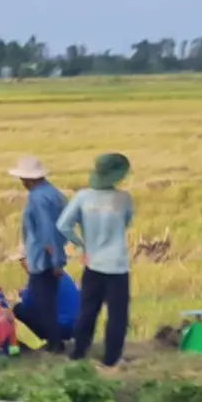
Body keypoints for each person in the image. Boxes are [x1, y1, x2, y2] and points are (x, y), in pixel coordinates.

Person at [57, 152, 136, 368]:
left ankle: (79, 352)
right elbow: (127, 221)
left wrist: (82, 243)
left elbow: (63, 225)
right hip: (118, 265)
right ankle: (111, 358)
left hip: (93, 263)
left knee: (88, 310)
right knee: (117, 315)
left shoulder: (83, 197)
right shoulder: (124, 198)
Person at [9, 154, 68, 352]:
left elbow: (46, 232)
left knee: (42, 305)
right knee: (48, 301)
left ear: (28, 179)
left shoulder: (37, 198)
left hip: (42, 260)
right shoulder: (56, 194)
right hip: (53, 255)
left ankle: (55, 344)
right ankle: (55, 342)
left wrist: (55, 261)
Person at [17, 271, 80, 347]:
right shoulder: (63, 274)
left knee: (17, 308)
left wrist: (20, 296)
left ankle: (14, 345)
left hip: (60, 327)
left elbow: (29, 303)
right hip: (76, 327)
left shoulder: (38, 276)